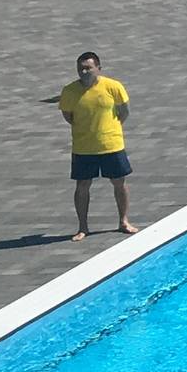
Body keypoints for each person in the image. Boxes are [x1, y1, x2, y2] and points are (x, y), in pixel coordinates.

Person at [58, 52, 136, 240]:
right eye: (81, 68)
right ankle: (82, 227)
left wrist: (111, 128)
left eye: (88, 68)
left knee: (119, 182)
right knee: (83, 185)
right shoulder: (69, 91)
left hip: (111, 144)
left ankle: (123, 220)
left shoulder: (113, 87)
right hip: (83, 147)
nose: (84, 71)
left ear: (98, 68)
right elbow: (68, 116)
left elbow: (124, 111)